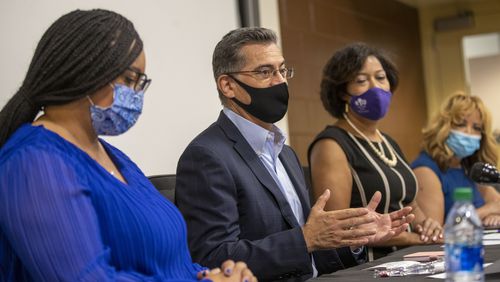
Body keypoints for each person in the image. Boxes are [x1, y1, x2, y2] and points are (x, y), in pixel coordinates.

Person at [0, 9, 256, 282]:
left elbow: (167, 262)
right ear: (86, 70)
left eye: (140, 83)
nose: (135, 95)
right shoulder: (32, 163)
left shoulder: (115, 158)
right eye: (130, 80)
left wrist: (212, 276)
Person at [175, 27, 414, 281]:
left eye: (282, 70)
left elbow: (312, 250)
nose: (280, 81)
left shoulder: (285, 153)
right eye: (265, 72)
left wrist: (354, 239)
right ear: (228, 86)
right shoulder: (206, 156)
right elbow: (211, 258)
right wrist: (305, 238)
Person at [308, 42, 443, 261]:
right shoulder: (331, 145)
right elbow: (335, 228)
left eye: (381, 78)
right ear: (343, 92)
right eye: (361, 81)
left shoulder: (388, 142)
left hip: (412, 257)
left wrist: (427, 225)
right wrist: (413, 239)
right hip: (369, 264)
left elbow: (409, 205)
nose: (375, 87)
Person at [411, 92, 500, 227]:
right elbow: (434, 234)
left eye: (476, 128)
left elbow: (497, 204)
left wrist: (494, 214)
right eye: (461, 124)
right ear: (443, 126)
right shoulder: (425, 170)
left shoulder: (469, 166)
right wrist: (486, 211)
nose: (469, 132)